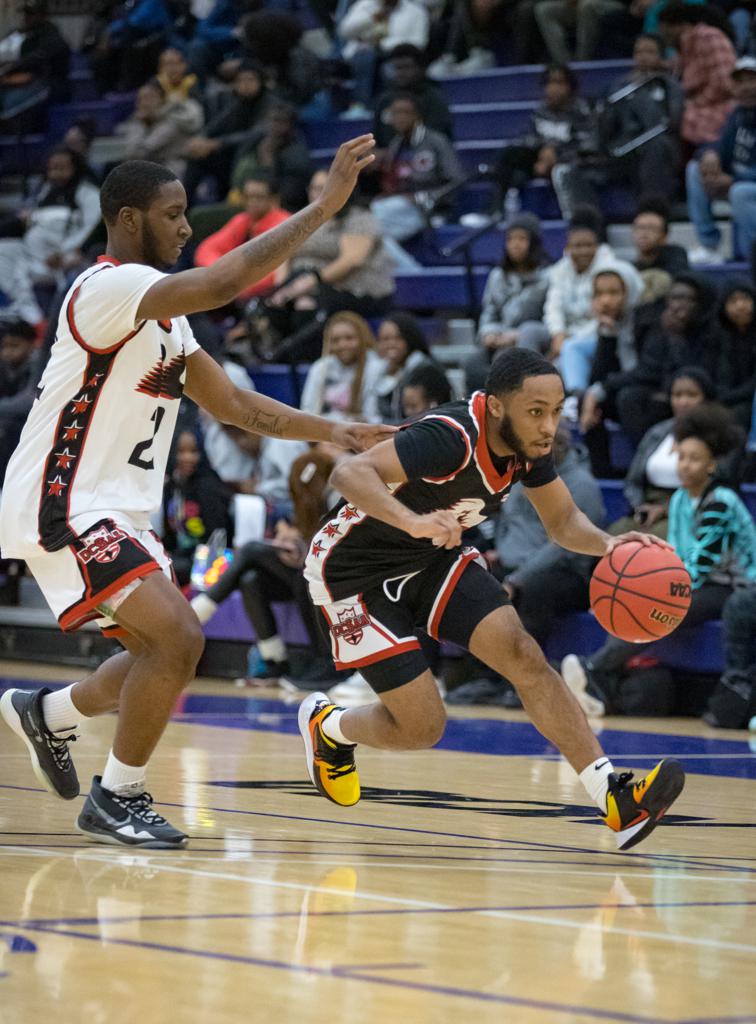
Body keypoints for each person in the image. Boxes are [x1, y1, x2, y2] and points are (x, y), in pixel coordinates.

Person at [0, 135, 393, 851]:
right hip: (65, 499)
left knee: (162, 652)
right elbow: (222, 282)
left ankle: (47, 714)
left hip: (120, 507)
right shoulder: (106, 289)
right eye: (174, 214)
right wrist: (322, 208)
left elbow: (239, 408)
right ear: (127, 219)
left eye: (186, 214)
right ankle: (117, 795)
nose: (187, 228)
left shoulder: (170, 323)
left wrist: (337, 431)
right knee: (180, 635)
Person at [297, 347, 686, 852]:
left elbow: (564, 523)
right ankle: (331, 728)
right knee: (422, 727)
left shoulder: (528, 447)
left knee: (523, 653)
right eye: (536, 411)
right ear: (498, 407)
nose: (549, 426)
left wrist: (612, 544)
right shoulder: (450, 436)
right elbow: (348, 474)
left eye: (556, 410)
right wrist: (412, 521)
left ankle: (613, 797)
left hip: (433, 559)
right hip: (354, 573)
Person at [563, 403, 756, 715]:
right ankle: (600, 681)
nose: (685, 465)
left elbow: (703, 563)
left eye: (695, 459)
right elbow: (677, 553)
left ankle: (594, 668)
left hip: (739, 586)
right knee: (645, 599)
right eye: (681, 457)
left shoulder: (722, 501)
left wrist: (664, 591)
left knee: (664, 605)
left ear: (711, 465)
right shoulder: (679, 499)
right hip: (704, 582)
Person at [264, 170, 394, 363]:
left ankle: (309, 364)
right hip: (306, 286)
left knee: (307, 303)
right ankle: (281, 359)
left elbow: (351, 260)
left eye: (324, 188)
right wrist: (282, 287)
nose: (318, 193)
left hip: (358, 290)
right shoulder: (303, 220)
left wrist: (312, 281)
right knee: (275, 303)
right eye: (314, 188)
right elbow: (286, 255)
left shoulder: (358, 218)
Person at [606, 367, 716, 538]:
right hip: (647, 507)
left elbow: (716, 484)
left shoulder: (716, 436)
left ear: (706, 399)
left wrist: (665, 510)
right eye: (677, 395)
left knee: (653, 545)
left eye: (691, 395)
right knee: (612, 538)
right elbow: (633, 481)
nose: (683, 402)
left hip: (690, 512)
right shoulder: (657, 432)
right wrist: (640, 507)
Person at [488, 64, 596, 221]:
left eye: (559, 82)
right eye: (549, 83)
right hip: (541, 160)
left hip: (571, 162)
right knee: (510, 154)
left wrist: (556, 155)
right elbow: (528, 138)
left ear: (570, 86)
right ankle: (495, 211)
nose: (553, 88)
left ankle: (577, 219)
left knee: (563, 169)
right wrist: (544, 152)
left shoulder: (581, 111)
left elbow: (587, 145)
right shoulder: (541, 110)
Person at [371, 93, 463, 270]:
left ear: (417, 116)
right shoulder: (395, 144)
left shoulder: (436, 141)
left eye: (404, 112)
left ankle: (413, 274)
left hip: (429, 209)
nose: (399, 118)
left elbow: (457, 180)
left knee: (367, 226)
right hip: (399, 207)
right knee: (371, 235)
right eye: (395, 113)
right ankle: (413, 272)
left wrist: (422, 197)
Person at [464, 212, 551, 393]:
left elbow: (550, 316)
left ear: (533, 242)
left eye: (522, 239)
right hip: (500, 336)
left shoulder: (548, 276)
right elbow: (489, 311)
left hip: (533, 337)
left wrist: (515, 335)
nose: (515, 244)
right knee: (472, 361)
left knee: (508, 354)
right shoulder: (497, 276)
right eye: (510, 239)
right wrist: (489, 334)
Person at [685, 56, 756, 263]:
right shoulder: (738, 113)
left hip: (744, 186)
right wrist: (709, 154)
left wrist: (734, 179)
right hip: (740, 181)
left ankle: (753, 256)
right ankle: (709, 246)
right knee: (695, 170)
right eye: (740, 82)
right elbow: (720, 143)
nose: (745, 87)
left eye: (751, 80)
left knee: (740, 193)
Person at [194, 171, 290, 302]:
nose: (251, 202)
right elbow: (205, 249)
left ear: (274, 199)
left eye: (258, 197)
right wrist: (223, 275)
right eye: (247, 196)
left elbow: (274, 277)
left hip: (264, 295)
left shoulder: (284, 224)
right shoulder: (243, 220)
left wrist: (233, 283)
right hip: (234, 289)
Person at [658, 3, 736, 151]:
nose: (665, 38)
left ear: (681, 26)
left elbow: (724, 83)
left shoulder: (709, 37)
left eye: (667, 32)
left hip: (718, 108)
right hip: (692, 107)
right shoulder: (683, 48)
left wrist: (693, 104)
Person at [162, 430, 231, 585]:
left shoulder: (207, 486)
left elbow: (216, 535)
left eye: (193, 451)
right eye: (182, 452)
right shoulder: (171, 487)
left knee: (164, 573)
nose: (188, 457)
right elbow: (169, 535)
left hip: (208, 559)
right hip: (180, 553)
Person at [337, 0, 430, 116]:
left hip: (396, 55)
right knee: (365, 59)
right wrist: (371, 18)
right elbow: (344, 31)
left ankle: (386, 109)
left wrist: (383, 44)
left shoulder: (415, 11)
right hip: (365, 54)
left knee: (388, 69)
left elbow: (419, 43)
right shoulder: (365, 5)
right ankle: (359, 106)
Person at [300, 312, 384, 420]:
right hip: (325, 431)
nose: (342, 345)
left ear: (362, 338)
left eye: (349, 338)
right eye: (335, 340)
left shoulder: (375, 367)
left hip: (360, 432)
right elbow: (308, 410)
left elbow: (373, 415)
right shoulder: (321, 366)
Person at [116, 79, 204, 178]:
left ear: (162, 100)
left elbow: (138, 153)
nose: (144, 103)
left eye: (149, 98)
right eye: (140, 99)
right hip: (152, 171)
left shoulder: (173, 120)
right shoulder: (147, 120)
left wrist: (139, 124)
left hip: (174, 174)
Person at [373, 44, 453, 148]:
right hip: (389, 161)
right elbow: (374, 137)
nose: (401, 73)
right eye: (397, 68)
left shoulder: (434, 99)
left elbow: (439, 138)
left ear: (421, 69)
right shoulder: (385, 100)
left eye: (406, 67)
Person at [366, 312, 435, 421]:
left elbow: (419, 418)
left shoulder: (424, 369)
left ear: (410, 339)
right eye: (385, 339)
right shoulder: (381, 369)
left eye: (398, 338)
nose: (391, 344)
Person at [716, 281, 756, 428]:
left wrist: (727, 398)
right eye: (733, 301)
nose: (740, 306)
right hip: (725, 398)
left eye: (745, 299)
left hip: (748, 399)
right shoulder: (717, 335)